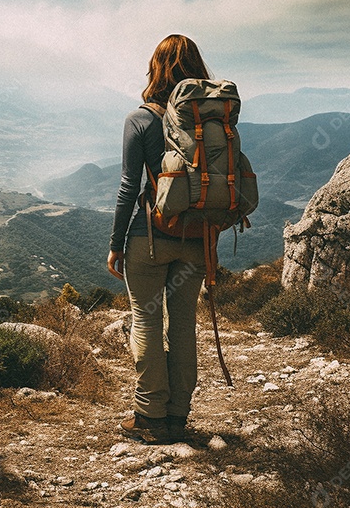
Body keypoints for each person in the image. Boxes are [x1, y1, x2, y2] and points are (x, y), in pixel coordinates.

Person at [107, 34, 209, 444]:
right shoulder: (209, 119)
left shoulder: (142, 118)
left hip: (149, 238)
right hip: (198, 238)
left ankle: (150, 417)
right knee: (184, 323)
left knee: (146, 319)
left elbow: (129, 187)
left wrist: (116, 243)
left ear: (156, 69)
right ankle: (178, 415)